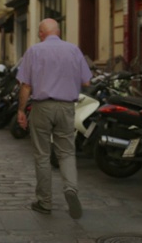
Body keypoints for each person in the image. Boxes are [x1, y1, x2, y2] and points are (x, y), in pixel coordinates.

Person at [16, 18, 92, 220]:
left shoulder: (34, 51)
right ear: (58, 32)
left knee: (42, 155)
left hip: (42, 107)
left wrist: (21, 110)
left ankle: (44, 202)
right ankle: (71, 189)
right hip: (67, 107)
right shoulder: (74, 50)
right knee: (66, 152)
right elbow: (87, 80)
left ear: (41, 33)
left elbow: (25, 86)